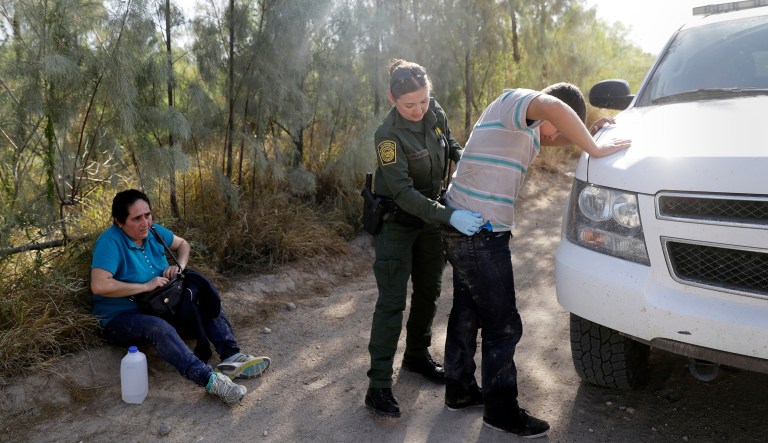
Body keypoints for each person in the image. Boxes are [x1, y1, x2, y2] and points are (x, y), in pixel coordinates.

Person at [440, 83, 630, 437]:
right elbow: (553, 110)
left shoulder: (522, 129)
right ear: (549, 112)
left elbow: (553, 134)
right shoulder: (516, 100)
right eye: (558, 123)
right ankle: (500, 411)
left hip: (463, 227)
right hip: (479, 233)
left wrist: (585, 133)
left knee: (467, 311)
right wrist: (595, 149)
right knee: (503, 324)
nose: (557, 134)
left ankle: (460, 390)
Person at [364, 59, 484, 418]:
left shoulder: (435, 113)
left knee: (429, 291)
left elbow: (451, 144)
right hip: (398, 224)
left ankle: (417, 355)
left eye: (424, 101)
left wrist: (465, 159)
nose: (419, 110)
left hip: (430, 222)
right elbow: (401, 192)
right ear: (392, 98)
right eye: (409, 104)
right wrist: (451, 216)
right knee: (392, 302)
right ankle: (379, 386)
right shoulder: (387, 136)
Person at [90, 189, 271, 405]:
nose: (145, 222)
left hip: (158, 304)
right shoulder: (110, 242)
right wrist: (144, 285)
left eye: (147, 215)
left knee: (200, 293)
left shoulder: (153, 232)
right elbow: (100, 285)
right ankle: (210, 380)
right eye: (136, 218)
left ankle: (231, 356)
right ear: (119, 221)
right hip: (121, 317)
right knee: (158, 328)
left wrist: (179, 266)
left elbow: (183, 244)